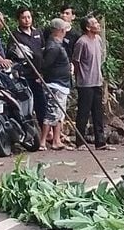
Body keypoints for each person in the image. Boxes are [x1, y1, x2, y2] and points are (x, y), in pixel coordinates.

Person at [70, 15, 107, 149]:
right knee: (83, 113)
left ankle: (100, 141)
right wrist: (81, 76)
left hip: (97, 81)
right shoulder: (82, 42)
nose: (98, 25)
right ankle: (80, 141)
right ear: (87, 27)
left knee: (98, 113)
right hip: (85, 83)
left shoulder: (98, 39)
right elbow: (76, 61)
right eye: (95, 23)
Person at [37, 18, 73, 150]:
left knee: (58, 114)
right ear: (59, 30)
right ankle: (42, 141)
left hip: (61, 84)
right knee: (51, 113)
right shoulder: (53, 46)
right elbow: (46, 65)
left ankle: (56, 140)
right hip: (55, 85)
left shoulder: (58, 44)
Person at [10, 7, 47, 133]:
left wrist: (43, 71)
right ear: (19, 19)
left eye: (29, 17)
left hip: (38, 75)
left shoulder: (38, 33)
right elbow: (11, 55)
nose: (27, 20)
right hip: (24, 76)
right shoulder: (15, 35)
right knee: (26, 106)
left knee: (41, 104)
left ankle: (45, 133)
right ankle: (29, 133)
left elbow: (43, 51)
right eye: (24, 17)